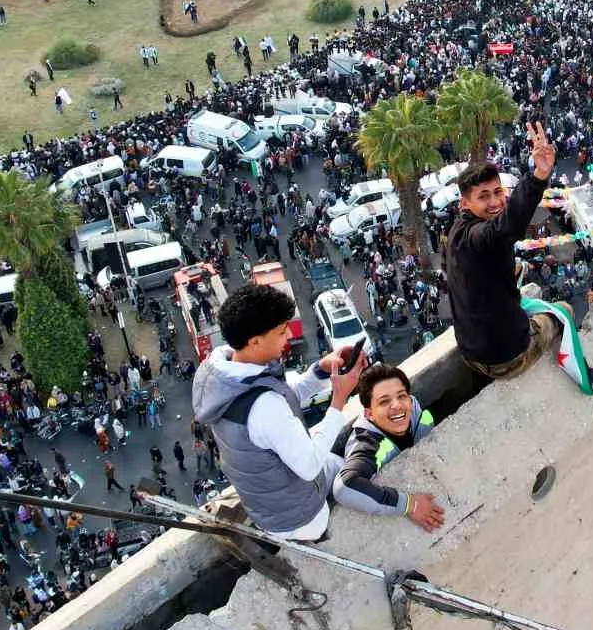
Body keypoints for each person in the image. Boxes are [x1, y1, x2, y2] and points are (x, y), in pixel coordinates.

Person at [192, 283, 362, 540]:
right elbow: (308, 467)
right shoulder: (265, 407)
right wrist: (338, 400)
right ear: (255, 341)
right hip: (301, 518)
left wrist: (320, 370)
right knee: (354, 471)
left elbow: (284, 394)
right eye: (281, 332)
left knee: (337, 464)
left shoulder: (222, 371)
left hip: (268, 506)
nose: (288, 337)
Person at [443, 120, 560, 378]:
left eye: (498, 192)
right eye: (484, 196)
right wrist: (539, 175)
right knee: (562, 314)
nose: (495, 202)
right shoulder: (478, 235)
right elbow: (503, 227)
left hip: (470, 349)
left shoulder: (457, 232)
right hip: (504, 358)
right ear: (465, 202)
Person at [332, 364, 447, 530]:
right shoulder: (367, 443)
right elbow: (344, 486)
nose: (397, 405)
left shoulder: (413, 408)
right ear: (369, 413)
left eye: (401, 396)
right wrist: (410, 505)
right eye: (384, 401)